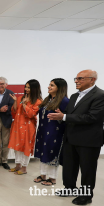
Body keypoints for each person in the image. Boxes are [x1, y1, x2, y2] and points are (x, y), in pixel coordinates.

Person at [48, 70, 104, 205]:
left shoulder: (100, 95)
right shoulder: (73, 96)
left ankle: (86, 196)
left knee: (87, 170)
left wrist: (65, 116)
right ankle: (70, 188)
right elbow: (68, 114)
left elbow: (93, 117)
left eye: (80, 79)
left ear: (92, 80)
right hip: (70, 138)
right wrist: (62, 115)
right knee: (69, 167)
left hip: (88, 140)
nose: (76, 81)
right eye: (76, 78)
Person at [33, 78, 69, 186]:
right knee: (43, 152)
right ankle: (43, 175)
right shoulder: (47, 99)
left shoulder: (64, 101)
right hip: (43, 130)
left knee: (52, 153)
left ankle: (52, 178)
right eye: (49, 84)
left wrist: (60, 117)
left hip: (55, 132)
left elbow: (66, 118)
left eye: (52, 85)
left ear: (60, 88)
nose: (49, 87)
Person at [8, 79, 42, 175]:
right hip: (17, 125)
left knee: (26, 147)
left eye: (28, 87)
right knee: (16, 146)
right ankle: (18, 165)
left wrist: (24, 104)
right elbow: (14, 111)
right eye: (26, 87)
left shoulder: (38, 101)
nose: (26, 89)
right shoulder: (20, 97)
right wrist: (15, 102)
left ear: (34, 88)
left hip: (28, 126)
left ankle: (24, 167)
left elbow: (31, 114)